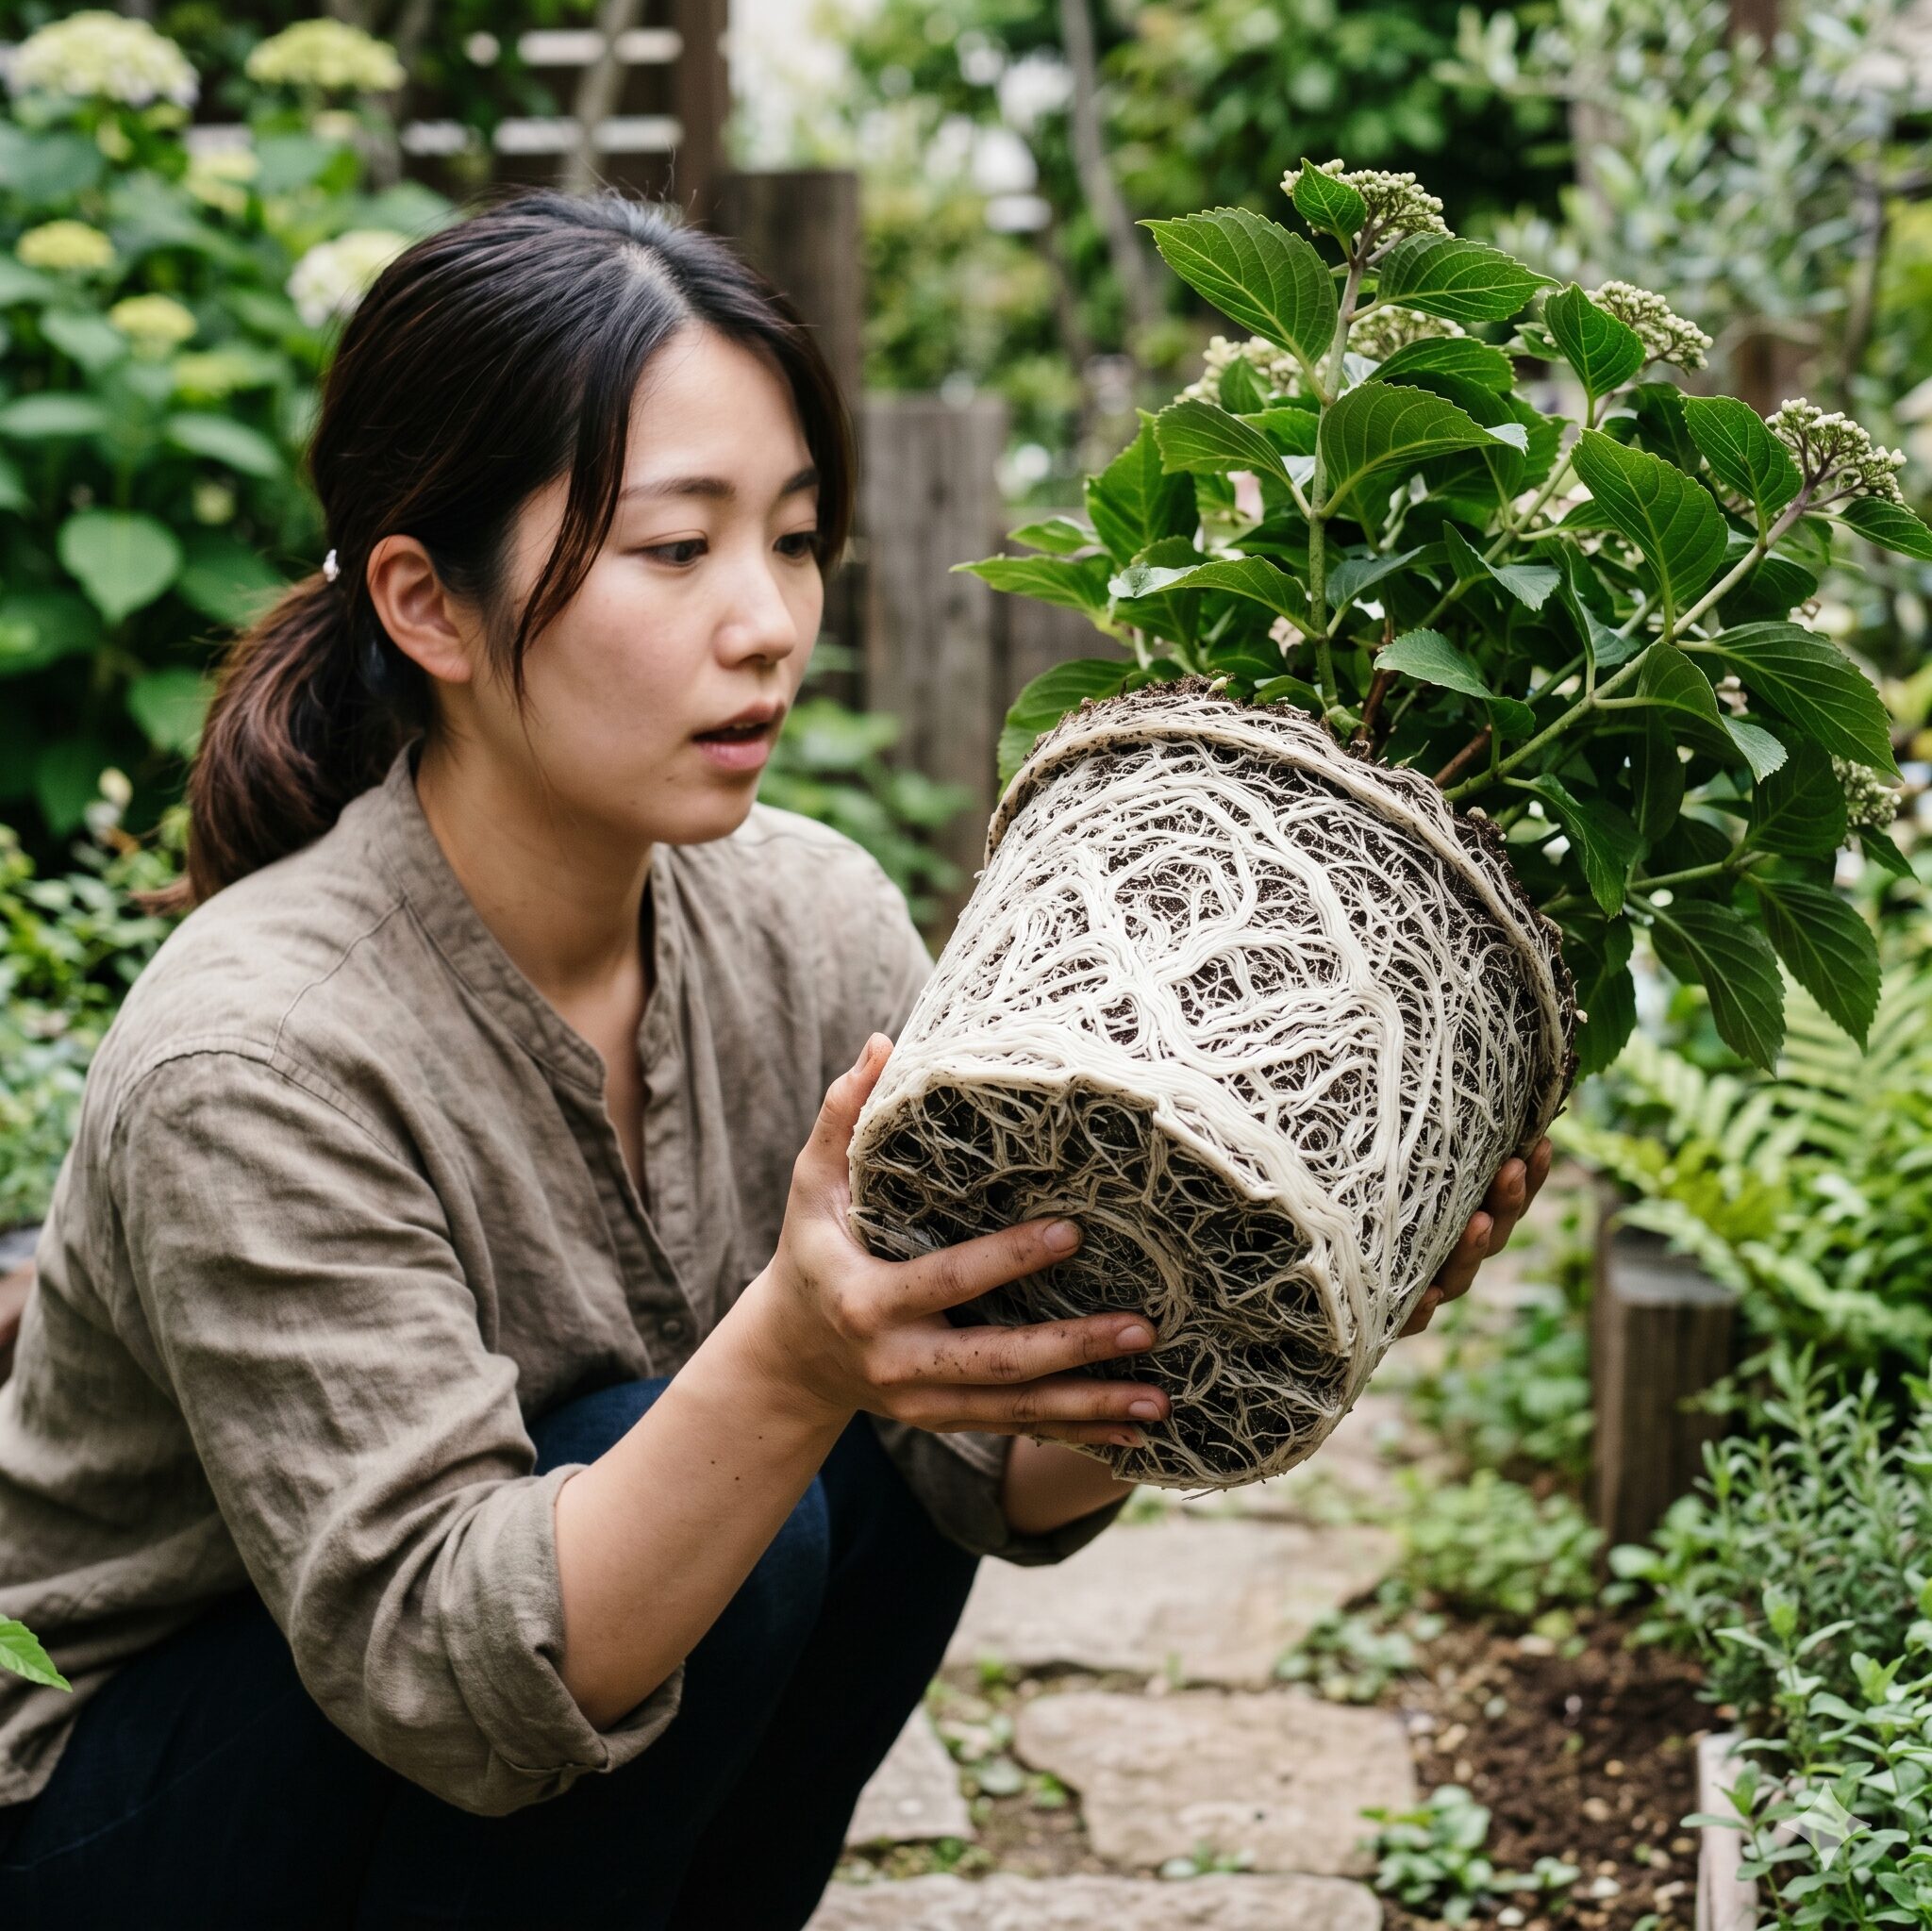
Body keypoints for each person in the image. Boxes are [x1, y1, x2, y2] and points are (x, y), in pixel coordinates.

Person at [0, 189, 1549, 1929]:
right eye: (677, 549)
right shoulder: (259, 1055)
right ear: (429, 603)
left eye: (796, 539)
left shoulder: (809, 918)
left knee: (859, 1468)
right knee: (721, 1459)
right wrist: (798, 1364)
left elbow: (987, 1456)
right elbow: (438, 1669)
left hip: (437, 1787)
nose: (769, 622)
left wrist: (1262, 1276)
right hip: (122, 1824)